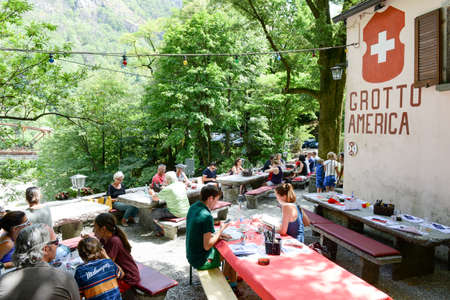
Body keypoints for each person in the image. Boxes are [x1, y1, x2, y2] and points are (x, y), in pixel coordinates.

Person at [0, 224, 80, 300]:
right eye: (56, 242)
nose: (58, 245)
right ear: (45, 249)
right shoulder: (64, 279)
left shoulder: (3, 282)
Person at [186, 185, 238, 294]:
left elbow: (200, 231)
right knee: (232, 255)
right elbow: (207, 245)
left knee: (224, 247)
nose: (217, 203)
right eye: (217, 200)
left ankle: (228, 277)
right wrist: (220, 231)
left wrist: (219, 235)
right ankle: (232, 286)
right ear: (210, 198)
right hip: (200, 260)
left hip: (191, 253)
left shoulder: (194, 207)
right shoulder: (206, 216)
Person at [94, 213, 140, 299]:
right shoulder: (104, 239)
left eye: (95, 228)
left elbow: (109, 266)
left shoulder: (114, 241)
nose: (93, 231)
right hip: (120, 274)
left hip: (128, 277)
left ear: (103, 229)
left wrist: (103, 256)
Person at [148, 171, 190, 237]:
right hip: (187, 211)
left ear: (167, 179)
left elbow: (155, 198)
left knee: (153, 212)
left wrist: (152, 193)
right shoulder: (181, 184)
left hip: (176, 213)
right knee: (164, 207)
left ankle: (159, 231)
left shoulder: (168, 189)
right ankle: (161, 226)